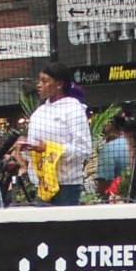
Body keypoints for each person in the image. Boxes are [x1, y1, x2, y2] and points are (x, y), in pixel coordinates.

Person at [17, 63, 95, 205]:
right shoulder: (38, 113)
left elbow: (84, 149)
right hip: (42, 184)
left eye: (45, 81)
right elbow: (33, 152)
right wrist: (27, 149)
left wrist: (49, 148)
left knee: (65, 227)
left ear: (59, 84)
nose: (39, 85)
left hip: (66, 185)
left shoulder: (74, 109)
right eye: (39, 81)